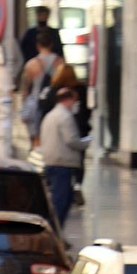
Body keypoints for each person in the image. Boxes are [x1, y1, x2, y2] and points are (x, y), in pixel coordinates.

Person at [20, 29, 75, 142]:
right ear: (51, 44)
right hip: (55, 103)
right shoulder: (60, 63)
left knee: (36, 139)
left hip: (36, 104)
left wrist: (24, 107)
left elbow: (25, 89)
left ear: (38, 45)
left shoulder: (31, 64)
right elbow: (68, 84)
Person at [40, 87, 84, 227]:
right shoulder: (65, 117)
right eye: (74, 100)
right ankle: (55, 233)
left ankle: (57, 233)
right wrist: (86, 143)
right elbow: (71, 140)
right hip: (62, 164)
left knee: (60, 199)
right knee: (61, 202)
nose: (75, 104)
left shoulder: (49, 116)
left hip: (50, 162)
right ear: (69, 99)